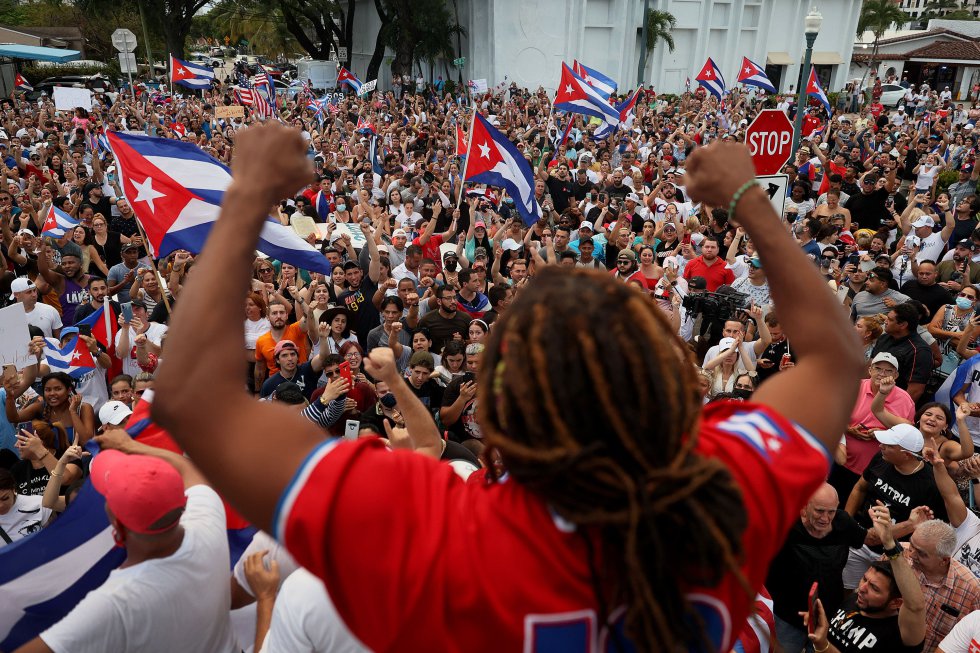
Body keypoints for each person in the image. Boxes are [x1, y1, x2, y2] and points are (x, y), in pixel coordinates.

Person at [153, 126, 864, 651]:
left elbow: (189, 399)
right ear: (675, 391)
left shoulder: (439, 536)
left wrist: (246, 193)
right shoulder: (735, 483)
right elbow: (835, 356)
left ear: (497, 417)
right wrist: (748, 197)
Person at [808, 504, 927, 653]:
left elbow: (916, 606)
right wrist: (819, 626)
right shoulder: (858, 601)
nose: (862, 589)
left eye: (875, 588)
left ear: (896, 602)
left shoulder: (899, 635)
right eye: (865, 579)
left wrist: (889, 543)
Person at [767, 483, 868, 653]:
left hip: (826, 617)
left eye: (831, 512)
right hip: (786, 618)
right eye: (820, 511)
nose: (825, 518)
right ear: (804, 506)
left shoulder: (843, 522)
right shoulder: (785, 523)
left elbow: (868, 538)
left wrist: (907, 526)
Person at [870, 303, 935, 401]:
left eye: (890, 320)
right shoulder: (883, 338)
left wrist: (894, 410)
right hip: (870, 395)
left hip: (892, 403)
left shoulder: (920, 351)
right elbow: (870, 368)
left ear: (903, 325)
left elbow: (915, 390)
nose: (885, 322)